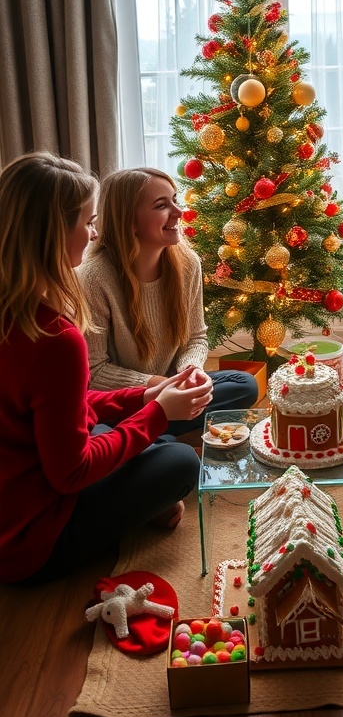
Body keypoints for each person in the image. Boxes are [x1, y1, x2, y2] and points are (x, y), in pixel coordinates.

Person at [0, 152, 205, 586]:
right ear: (56, 231)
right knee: (181, 461)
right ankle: (150, 500)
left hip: (20, 492)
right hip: (29, 542)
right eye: (89, 222)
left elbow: (63, 407)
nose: (95, 233)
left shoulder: (14, 315)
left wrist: (143, 398)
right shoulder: (53, 337)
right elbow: (71, 472)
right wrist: (159, 414)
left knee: (124, 434)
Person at [77, 167, 258, 437]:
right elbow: (96, 372)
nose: (178, 212)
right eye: (162, 205)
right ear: (131, 221)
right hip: (128, 400)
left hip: (172, 388)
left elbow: (196, 338)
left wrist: (191, 372)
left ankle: (158, 435)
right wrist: (160, 388)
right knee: (100, 429)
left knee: (244, 385)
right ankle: (160, 431)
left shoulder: (187, 263)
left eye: (175, 200)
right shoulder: (93, 276)